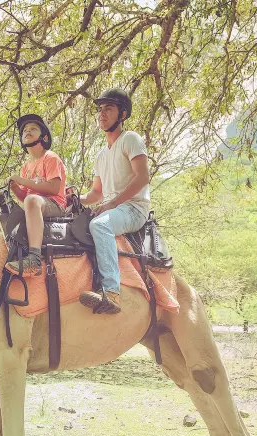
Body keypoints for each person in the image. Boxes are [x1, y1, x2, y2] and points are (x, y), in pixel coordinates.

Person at [79, 88, 151, 314]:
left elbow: (143, 177)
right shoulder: (100, 155)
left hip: (133, 209)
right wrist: (74, 198)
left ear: (123, 114)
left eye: (108, 108)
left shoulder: (130, 139)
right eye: (100, 109)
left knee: (99, 224)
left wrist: (111, 204)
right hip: (112, 209)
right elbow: (96, 194)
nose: (102, 113)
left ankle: (111, 293)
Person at [1, 114, 68, 276]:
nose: (27, 131)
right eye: (24, 130)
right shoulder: (26, 167)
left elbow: (53, 188)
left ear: (44, 137)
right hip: (36, 205)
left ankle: (34, 260)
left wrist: (22, 181)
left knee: (32, 200)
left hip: (55, 205)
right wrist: (16, 188)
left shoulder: (50, 157)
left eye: (33, 129)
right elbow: (26, 199)